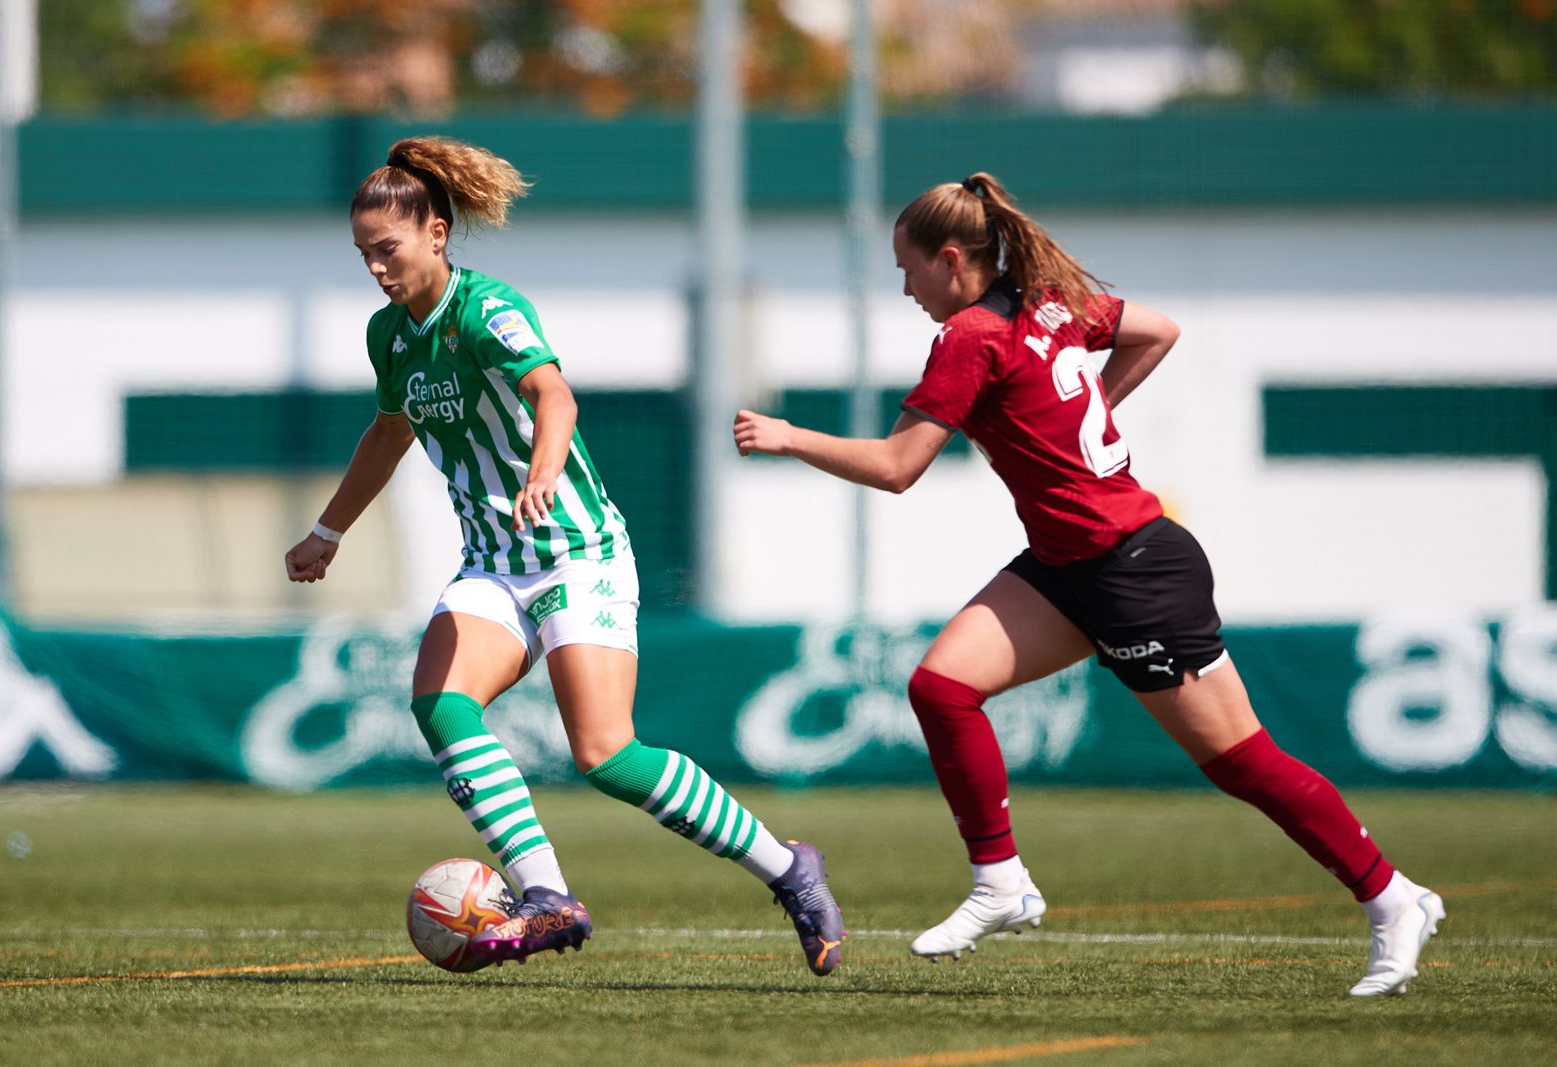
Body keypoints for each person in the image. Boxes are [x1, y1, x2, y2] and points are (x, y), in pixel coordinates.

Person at [732, 172, 1442, 997]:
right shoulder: (1050, 303)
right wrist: (1085, 411)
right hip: (1069, 564)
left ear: (951, 260)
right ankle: (1001, 883)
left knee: (1244, 760)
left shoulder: (970, 334)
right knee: (942, 686)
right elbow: (1159, 330)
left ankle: (1393, 898)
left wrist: (787, 436)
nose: (904, 286)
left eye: (908, 269)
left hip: (1134, 568)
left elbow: (898, 468)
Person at [285, 135, 843, 975]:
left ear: (436, 232)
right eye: (364, 254)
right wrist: (328, 531)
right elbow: (389, 432)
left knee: (608, 756)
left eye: (387, 249)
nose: (375, 268)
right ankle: (545, 893)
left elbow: (555, 392)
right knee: (440, 704)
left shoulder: (487, 307)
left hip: (575, 551)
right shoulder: (389, 338)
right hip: (493, 561)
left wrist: (544, 470)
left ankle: (788, 867)